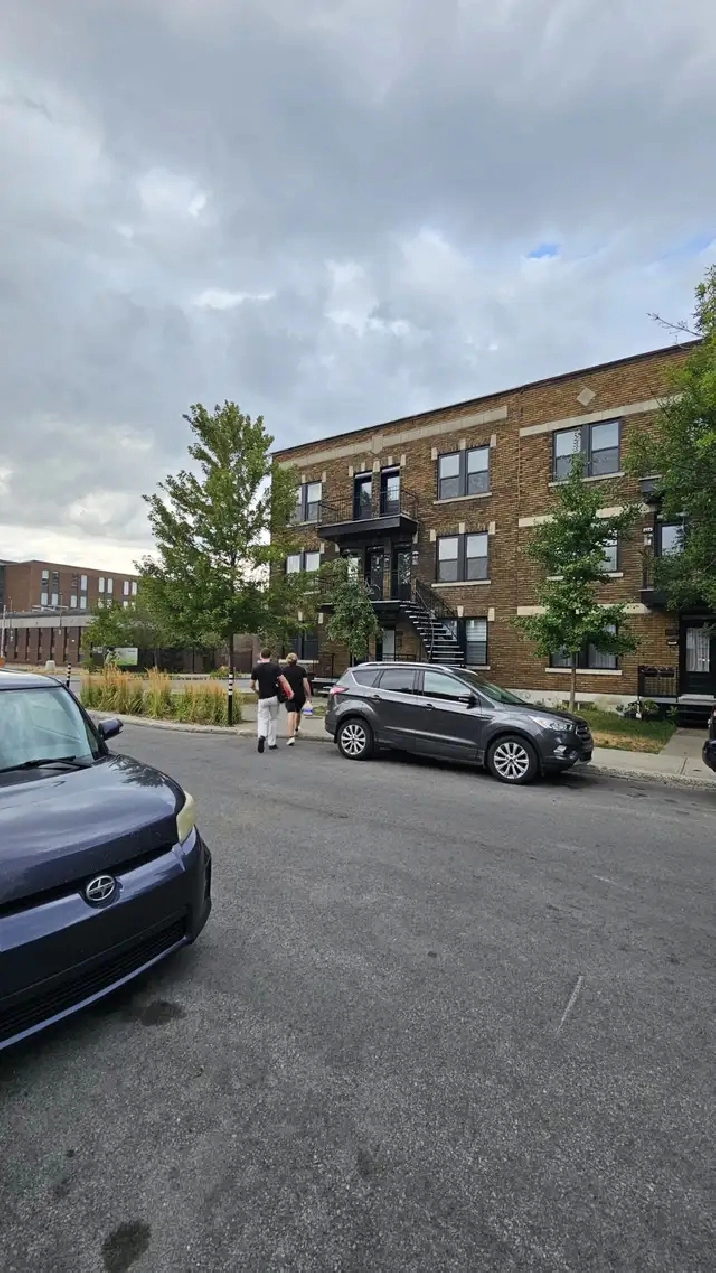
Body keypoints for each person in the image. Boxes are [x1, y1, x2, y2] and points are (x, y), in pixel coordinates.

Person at [250, 649, 293, 753]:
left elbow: (251, 685)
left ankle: (262, 736)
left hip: (262, 698)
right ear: (270, 656)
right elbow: (283, 680)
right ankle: (272, 743)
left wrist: (256, 690)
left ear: (261, 656)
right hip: (274, 697)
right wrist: (290, 691)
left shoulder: (256, 669)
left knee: (262, 718)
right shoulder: (275, 667)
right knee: (273, 719)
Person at [282, 652, 312, 746]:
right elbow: (305, 684)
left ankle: (291, 737)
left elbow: (282, 683)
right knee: (298, 712)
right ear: (296, 660)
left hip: (289, 695)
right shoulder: (302, 670)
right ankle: (296, 728)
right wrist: (309, 695)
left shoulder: (284, 671)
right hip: (300, 695)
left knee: (291, 714)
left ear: (287, 660)